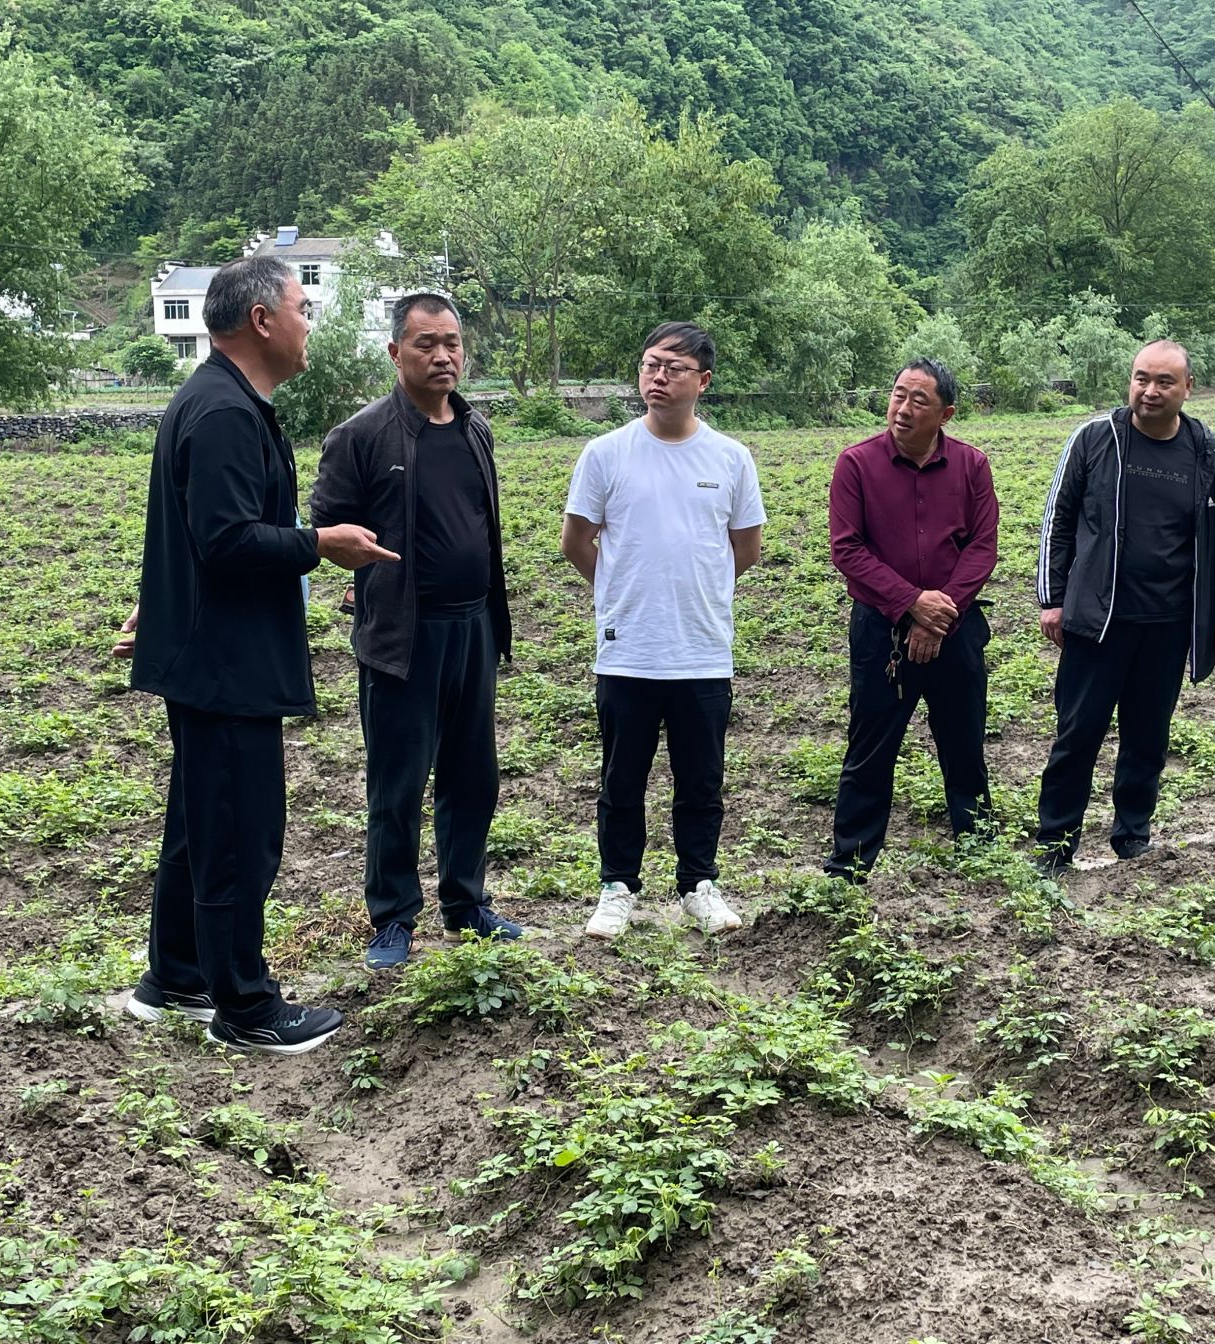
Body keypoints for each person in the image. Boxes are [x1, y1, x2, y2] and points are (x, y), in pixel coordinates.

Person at [117, 255, 396, 1054]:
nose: (309, 324)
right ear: (262, 320)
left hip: (209, 651)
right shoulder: (225, 412)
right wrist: (322, 543)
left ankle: (177, 975)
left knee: (200, 821)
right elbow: (227, 539)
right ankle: (244, 1006)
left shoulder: (217, 399)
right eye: (303, 308)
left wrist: (164, 599)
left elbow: (193, 533)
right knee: (239, 831)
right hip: (226, 663)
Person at [310, 292, 518, 971]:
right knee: (397, 784)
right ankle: (393, 916)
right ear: (395, 352)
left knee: (472, 775)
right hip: (403, 635)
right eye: (426, 343)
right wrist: (355, 563)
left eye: (452, 342)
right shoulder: (361, 435)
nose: (442, 355)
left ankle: (466, 903)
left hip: (473, 627)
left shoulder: (475, 428)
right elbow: (326, 529)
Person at [559, 321, 764, 938]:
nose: (658, 377)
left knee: (701, 780)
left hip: (702, 650)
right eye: (650, 365)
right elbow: (577, 542)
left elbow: (746, 548)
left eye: (674, 368)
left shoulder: (730, 458)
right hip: (629, 649)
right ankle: (616, 887)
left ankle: (699, 884)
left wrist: (697, 591)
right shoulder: (605, 453)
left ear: (703, 381)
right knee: (621, 779)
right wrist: (622, 593)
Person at [1033, 339, 1215, 872]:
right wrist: (1052, 600)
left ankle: (1132, 836)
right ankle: (1056, 842)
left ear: (1188, 388)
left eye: (1164, 381)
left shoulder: (1207, 454)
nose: (1149, 391)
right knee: (1077, 734)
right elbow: (1058, 520)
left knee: (1147, 738)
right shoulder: (1095, 438)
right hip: (1098, 619)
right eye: (1141, 378)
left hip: (1169, 623)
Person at [823, 359, 998, 882]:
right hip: (881, 631)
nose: (903, 408)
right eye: (898, 395)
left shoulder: (971, 465)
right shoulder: (857, 464)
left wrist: (938, 614)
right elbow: (847, 550)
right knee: (870, 747)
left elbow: (982, 547)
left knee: (964, 742)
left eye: (919, 400)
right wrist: (910, 603)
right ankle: (850, 864)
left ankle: (980, 852)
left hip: (955, 629)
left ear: (946, 413)